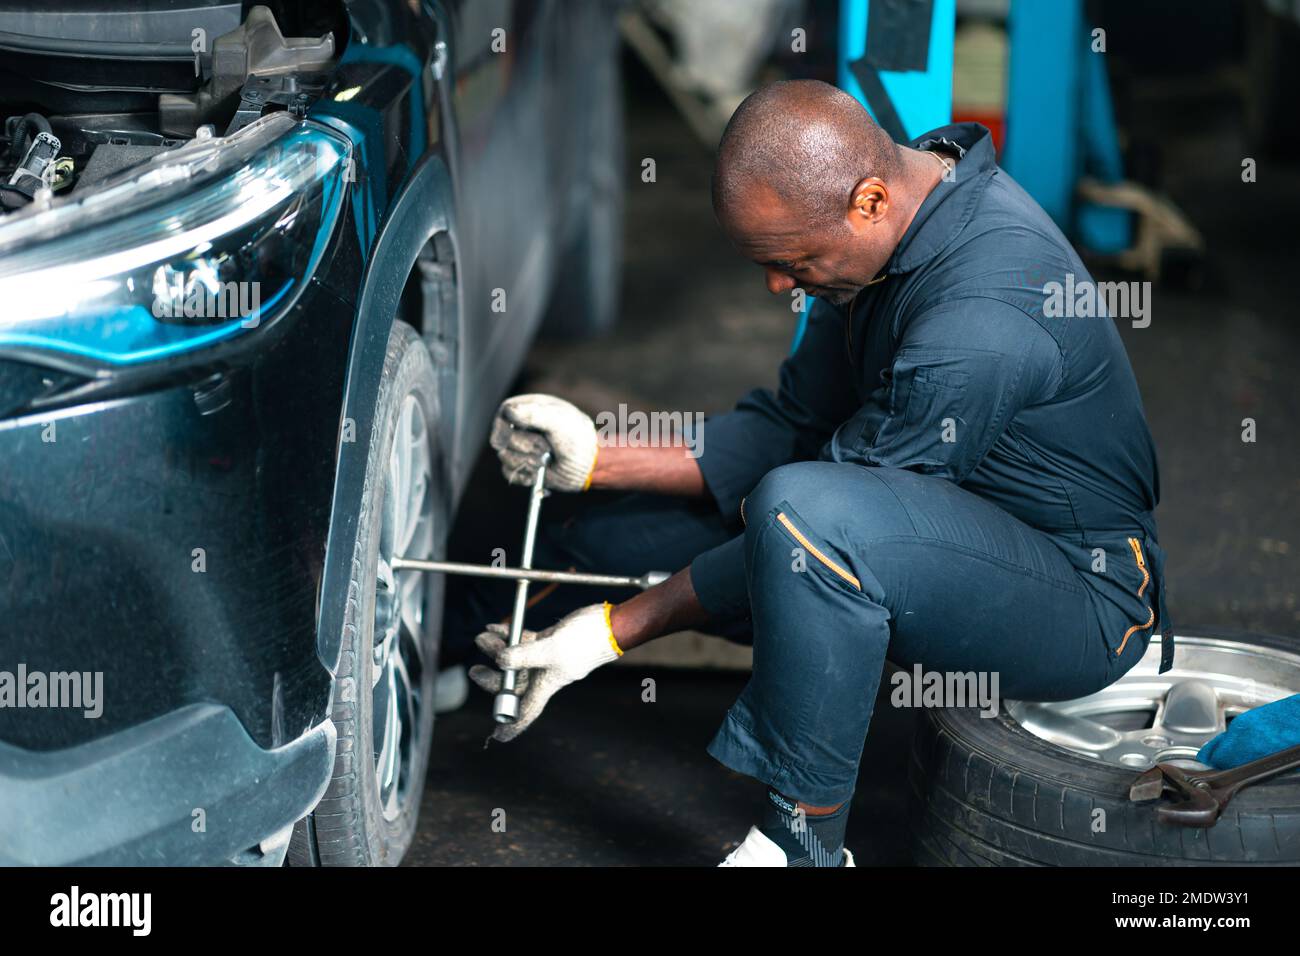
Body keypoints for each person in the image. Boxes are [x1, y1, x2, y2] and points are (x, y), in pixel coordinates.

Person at [449, 79, 1173, 868]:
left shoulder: (982, 319)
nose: (777, 284)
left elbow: (810, 527)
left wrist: (612, 634)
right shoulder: (886, 223)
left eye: (792, 260)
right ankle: (447, 653)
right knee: (608, 531)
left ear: (867, 202)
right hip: (904, 530)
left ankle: (804, 844)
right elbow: (795, 428)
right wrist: (597, 456)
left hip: (1081, 599)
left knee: (801, 514)